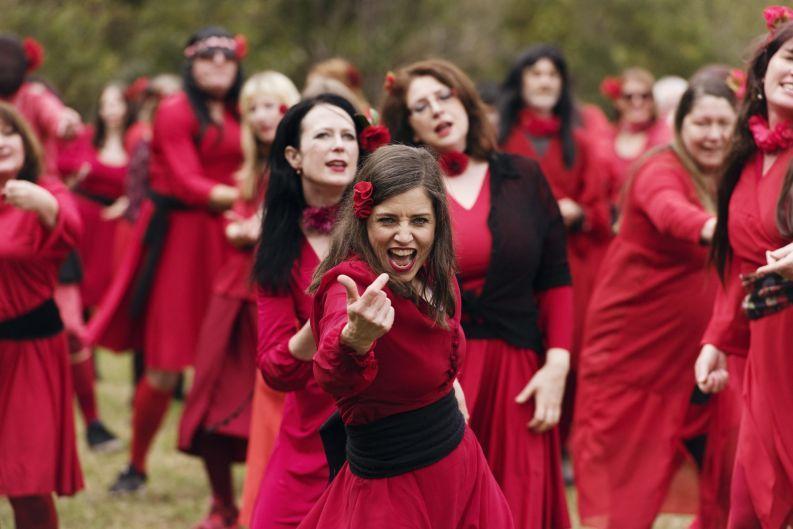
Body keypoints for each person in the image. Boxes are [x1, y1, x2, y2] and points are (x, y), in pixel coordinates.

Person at [380, 59, 570, 529]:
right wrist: (435, 374)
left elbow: (555, 279)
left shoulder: (524, 176)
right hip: (440, 370)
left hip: (519, 372)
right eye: (421, 106)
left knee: (519, 504)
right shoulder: (406, 195)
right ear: (409, 125)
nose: (438, 110)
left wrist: (558, 365)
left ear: (465, 99)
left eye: (444, 96)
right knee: (450, 506)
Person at [299, 143, 513, 529]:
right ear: (364, 221)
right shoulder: (350, 286)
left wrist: (451, 387)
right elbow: (331, 371)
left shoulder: (437, 273)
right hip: (394, 489)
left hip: (460, 467)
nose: (404, 236)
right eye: (388, 221)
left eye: (418, 221)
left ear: (437, 224)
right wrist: (355, 339)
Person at [572, 77, 739, 529]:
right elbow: (669, 211)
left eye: (724, 123)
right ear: (680, 124)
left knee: (730, 459)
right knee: (633, 476)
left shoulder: (730, 172)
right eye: (702, 122)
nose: (714, 134)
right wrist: (720, 230)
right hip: (636, 354)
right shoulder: (658, 168)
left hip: (704, 351)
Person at [85, 26, 245, 492]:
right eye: (208, 56)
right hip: (181, 239)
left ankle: (242, 470)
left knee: (241, 355)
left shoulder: (239, 109)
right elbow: (185, 177)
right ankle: (136, 464)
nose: (218, 63)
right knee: (166, 361)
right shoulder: (176, 110)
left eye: (227, 56)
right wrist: (247, 198)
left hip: (233, 238)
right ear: (191, 63)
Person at [176, 70, 300, 529]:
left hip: (274, 297)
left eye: (273, 105)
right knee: (207, 398)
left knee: (273, 409)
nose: (263, 116)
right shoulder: (246, 171)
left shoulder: (304, 168)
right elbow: (233, 218)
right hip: (230, 293)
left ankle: (263, 505)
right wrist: (237, 228)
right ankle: (221, 504)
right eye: (253, 108)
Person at [250, 93, 369, 529]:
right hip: (309, 428)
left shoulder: (387, 228)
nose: (339, 145)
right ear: (294, 156)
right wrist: (318, 323)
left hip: (383, 416)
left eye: (347, 136)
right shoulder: (278, 245)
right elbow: (276, 368)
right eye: (324, 135)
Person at [696, 8, 793, 528]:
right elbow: (738, 263)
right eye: (792, 57)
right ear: (763, 69)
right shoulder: (744, 161)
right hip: (765, 346)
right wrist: (717, 338)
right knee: (753, 505)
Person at [498, 45, 612, 444]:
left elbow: (601, 209)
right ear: (521, 81)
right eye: (536, 73)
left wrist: (576, 211)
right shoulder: (499, 137)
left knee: (569, 348)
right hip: (513, 265)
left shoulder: (578, 143)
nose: (545, 81)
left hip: (568, 262)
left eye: (552, 74)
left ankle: (564, 440)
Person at [0, 102, 83, 529]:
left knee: (27, 483)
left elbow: (69, 225)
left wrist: (43, 202)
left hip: (29, 351)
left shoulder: (44, 191)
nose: (0, 141)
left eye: (8, 132)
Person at [56, 81, 133, 451]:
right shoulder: (86, 137)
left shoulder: (136, 142)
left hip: (112, 226)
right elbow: (64, 162)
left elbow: (143, 180)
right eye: (105, 103)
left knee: (99, 299)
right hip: (81, 220)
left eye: (116, 102)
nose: (111, 110)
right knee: (75, 313)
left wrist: (128, 202)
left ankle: (91, 417)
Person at [598, 67, 672, 204]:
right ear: (618, 101)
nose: (637, 103)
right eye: (628, 97)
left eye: (644, 96)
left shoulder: (666, 135)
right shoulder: (604, 137)